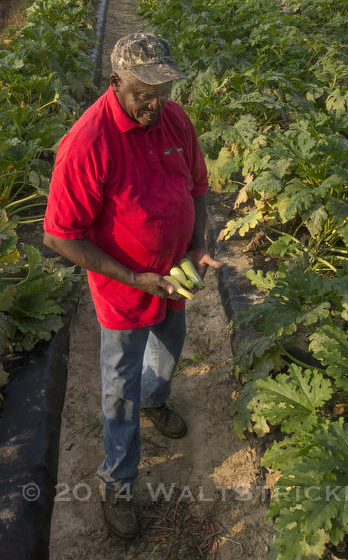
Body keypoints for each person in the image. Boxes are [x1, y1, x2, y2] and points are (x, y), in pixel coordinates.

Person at [42, 32, 222, 539]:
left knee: (167, 353)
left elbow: (197, 188)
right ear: (116, 82)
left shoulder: (174, 118)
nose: (156, 103)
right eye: (144, 92)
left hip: (175, 281)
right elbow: (59, 236)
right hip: (124, 290)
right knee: (119, 386)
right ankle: (116, 480)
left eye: (163, 89)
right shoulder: (88, 142)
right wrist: (133, 276)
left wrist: (194, 246)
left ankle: (156, 398)